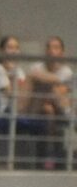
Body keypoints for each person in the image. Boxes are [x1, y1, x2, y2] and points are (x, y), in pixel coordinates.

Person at [26, 36, 72, 169]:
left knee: (50, 108)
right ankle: (49, 154)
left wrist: (46, 80)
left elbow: (62, 92)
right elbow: (31, 90)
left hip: (57, 109)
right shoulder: (37, 67)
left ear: (62, 52)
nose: (52, 51)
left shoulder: (67, 72)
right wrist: (55, 81)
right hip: (35, 106)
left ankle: (48, 154)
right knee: (48, 106)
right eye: (49, 47)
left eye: (56, 48)